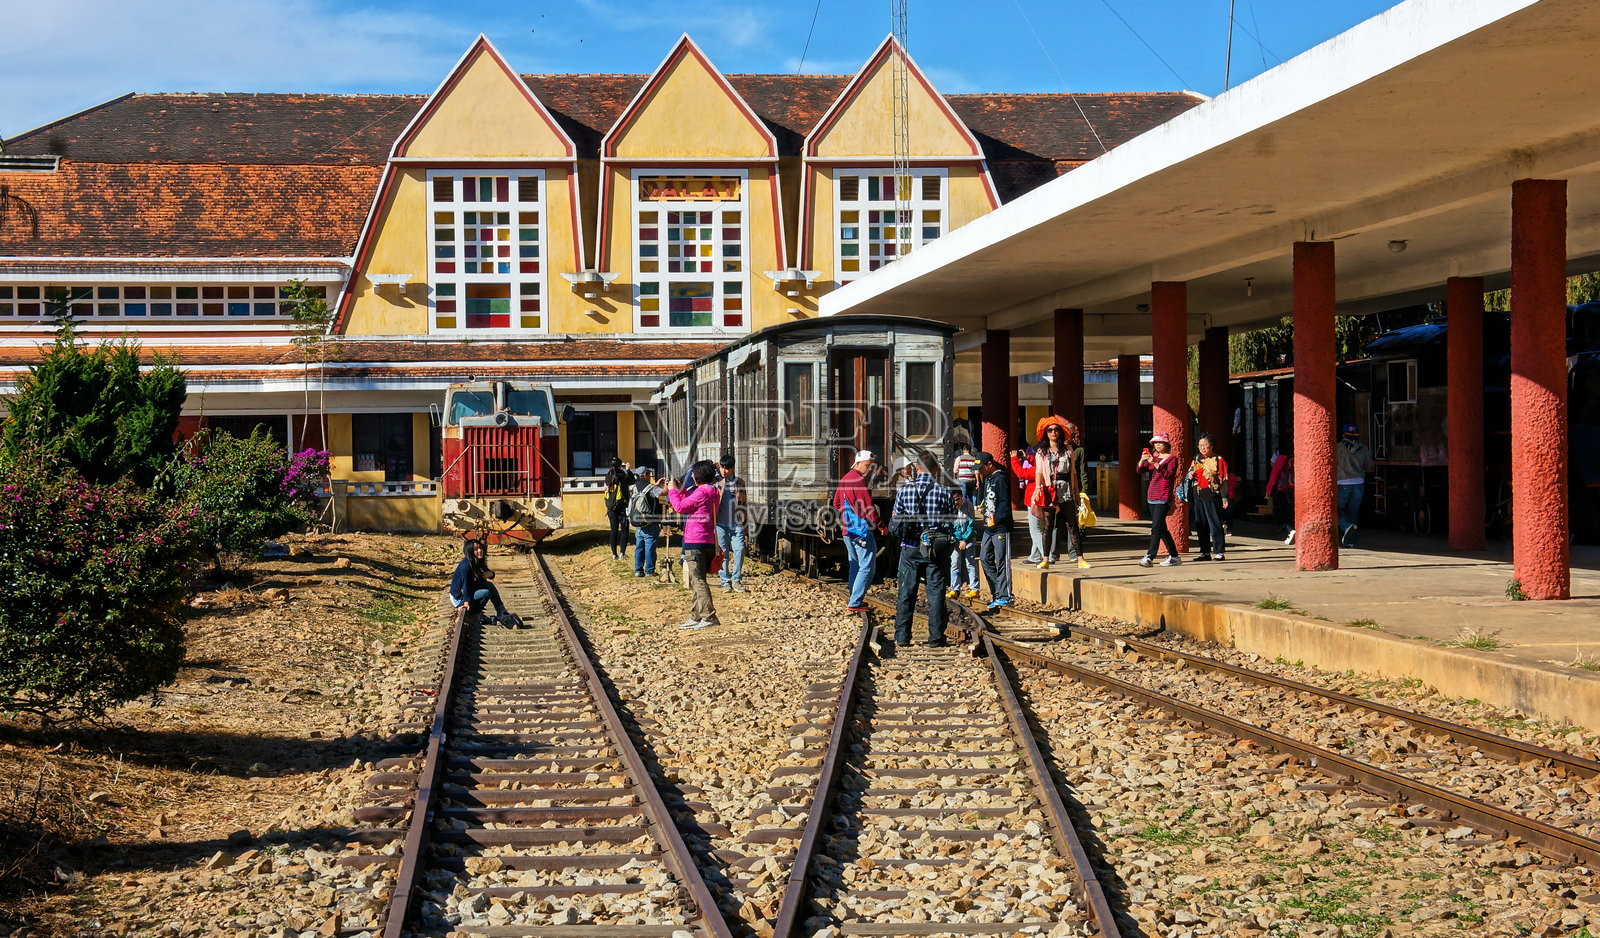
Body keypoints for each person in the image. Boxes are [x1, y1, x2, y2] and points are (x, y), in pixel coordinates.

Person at [888, 451, 956, 648]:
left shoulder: (904, 490)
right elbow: (951, 519)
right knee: (936, 594)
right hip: (936, 549)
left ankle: (902, 636)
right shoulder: (944, 491)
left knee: (906, 592)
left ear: (917, 467)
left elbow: (897, 516)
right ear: (936, 469)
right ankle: (935, 638)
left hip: (910, 547)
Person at [667, 460, 722, 630]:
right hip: (708, 541)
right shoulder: (712, 492)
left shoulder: (702, 493)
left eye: (692, 474)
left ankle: (709, 616)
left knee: (698, 581)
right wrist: (680, 489)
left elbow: (680, 506)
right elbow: (690, 502)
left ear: (698, 476)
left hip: (695, 541)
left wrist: (671, 491)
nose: (691, 476)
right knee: (698, 579)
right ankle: (696, 616)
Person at [832, 449, 882, 613]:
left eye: (871, 466)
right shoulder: (859, 481)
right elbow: (869, 508)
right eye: (867, 465)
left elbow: (837, 503)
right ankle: (855, 601)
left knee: (855, 565)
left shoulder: (845, 478)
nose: (869, 469)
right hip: (861, 530)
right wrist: (881, 526)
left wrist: (848, 514)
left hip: (848, 530)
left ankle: (854, 597)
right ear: (858, 463)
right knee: (867, 566)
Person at [975, 451, 1014, 611]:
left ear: (989, 464)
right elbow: (989, 499)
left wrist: (996, 519)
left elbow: (1004, 503)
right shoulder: (988, 479)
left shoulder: (1001, 478)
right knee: (984, 558)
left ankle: (1005, 596)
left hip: (1000, 528)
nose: (979, 471)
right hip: (988, 527)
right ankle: (997, 592)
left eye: (981, 467)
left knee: (1002, 561)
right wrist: (983, 508)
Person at [1136, 433, 1182, 567]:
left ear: (1166, 444)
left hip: (1163, 496)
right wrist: (1142, 459)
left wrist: (1155, 463)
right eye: (1155, 443)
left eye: (1160, 443)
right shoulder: (1153, 458)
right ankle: (1174, 556)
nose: (1157, 445)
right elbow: (1139, 470)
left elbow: (1168, 475)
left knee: (1155, 526)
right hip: (1152, 495)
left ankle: (1150, 556)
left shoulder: (1172, 459)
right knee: (1161, 528)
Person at [1185, 432, 1230, 561]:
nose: (1203, 447)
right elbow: (1191, 471)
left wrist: (1224, 497)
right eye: (1200, 445)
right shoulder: (1197, 458)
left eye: (1205, 445)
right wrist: (1190, 475)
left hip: (1212, 496)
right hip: (1198, 495)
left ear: (1211, 445)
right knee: (1201, 525)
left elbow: (1223, 479)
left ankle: (1219, 551)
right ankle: (1205, 552)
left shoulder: (1218, 460)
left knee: (1215, 523)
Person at [449, 538, 512, 624]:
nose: (479, 551)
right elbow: (465, 585)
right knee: (485, 593)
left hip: (469, 590)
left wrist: (490, 574)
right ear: (469, 552)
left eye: (480, 548)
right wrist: (465, 603)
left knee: (489, 585)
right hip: (459, 596)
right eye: (475, 549)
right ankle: (475, 613)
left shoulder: (477, 561)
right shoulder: (466, 565)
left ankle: (501, 611)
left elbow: (490, 573)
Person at [714, 453, 748, 593]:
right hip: (720, 524)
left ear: (733, 468)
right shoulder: (715, 481)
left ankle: (736, 580)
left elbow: (744, 503)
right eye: (722, 467)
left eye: (727, 468)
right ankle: (725, 582)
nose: (724, 471)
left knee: (740, 550)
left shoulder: (739, 483)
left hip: (736, 524)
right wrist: (712, 467)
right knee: (723, 554)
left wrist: (745, 524)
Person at [1337, 424, 1374, 547]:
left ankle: (1346, 527)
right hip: (1359, 484)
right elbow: (1369, 467)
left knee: (1336, 510)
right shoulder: (1364, 448)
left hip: (1342, 483)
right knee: (1353, 513)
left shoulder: (1338, 448)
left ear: (1343, 435)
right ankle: (1351, 541)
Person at [946, 490, 980, 599]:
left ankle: (975, 589)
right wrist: (957, 539)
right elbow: (950, 525)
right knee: (954, 564)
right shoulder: (950, 508)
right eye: (953, 500)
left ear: (961, 497)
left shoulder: (968, 506)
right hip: (956, 539)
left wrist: (965, 539)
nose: (955, 502)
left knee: (970, 563)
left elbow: (971, 524)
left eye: (957, 499)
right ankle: (955, 589)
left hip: (968, 539)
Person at [630, 467, 664, 578]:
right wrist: (668, 484)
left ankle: (638, 570)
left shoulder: (634, 487)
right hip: (650, 522)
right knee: (650, 546)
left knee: (639, 546)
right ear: (645, 475)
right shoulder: (650, 487)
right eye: (649, 474)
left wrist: (656, 484)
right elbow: (664, 492)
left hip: (638, 521)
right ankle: (649, 571)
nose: (650, 476)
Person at [604, 457, 635, 560]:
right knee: (624, 530)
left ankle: (614, 554)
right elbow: (632, 481)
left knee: (613, 531)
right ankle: (622, 553)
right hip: (622, 506)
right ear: (620, 465)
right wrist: (628, 470)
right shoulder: (622, 475)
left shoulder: (608, 476)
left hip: (611, 508)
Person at [1266, 448, 1296, 544]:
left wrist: (1268, 490)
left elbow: (1274, 474)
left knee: (1283, 511)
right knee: (1292, 509)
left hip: (1282, 488)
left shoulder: (1280, 457)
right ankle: (1294, 528)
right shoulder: (1295, 455)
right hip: (1294, 486)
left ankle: (1291, 530)